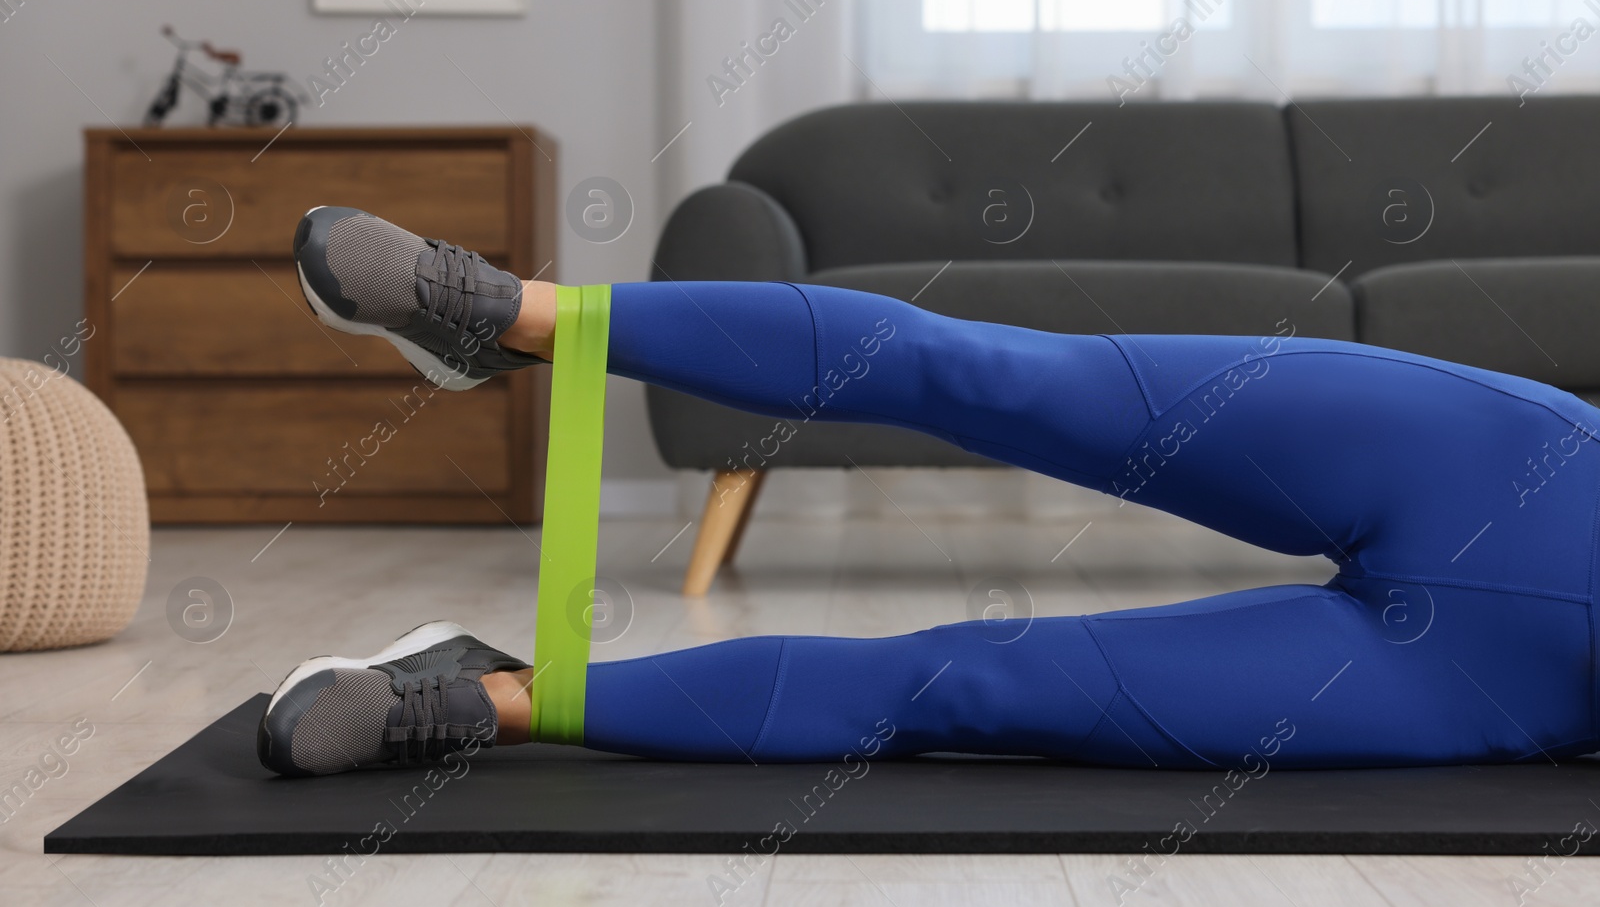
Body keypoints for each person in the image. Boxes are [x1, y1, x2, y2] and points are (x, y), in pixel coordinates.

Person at [257, 207, 1600, 778]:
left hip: (1496, 679)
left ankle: (477, 700)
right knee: (995, 376)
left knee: (969, 688)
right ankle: (503, 313)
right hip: (1514, 471)